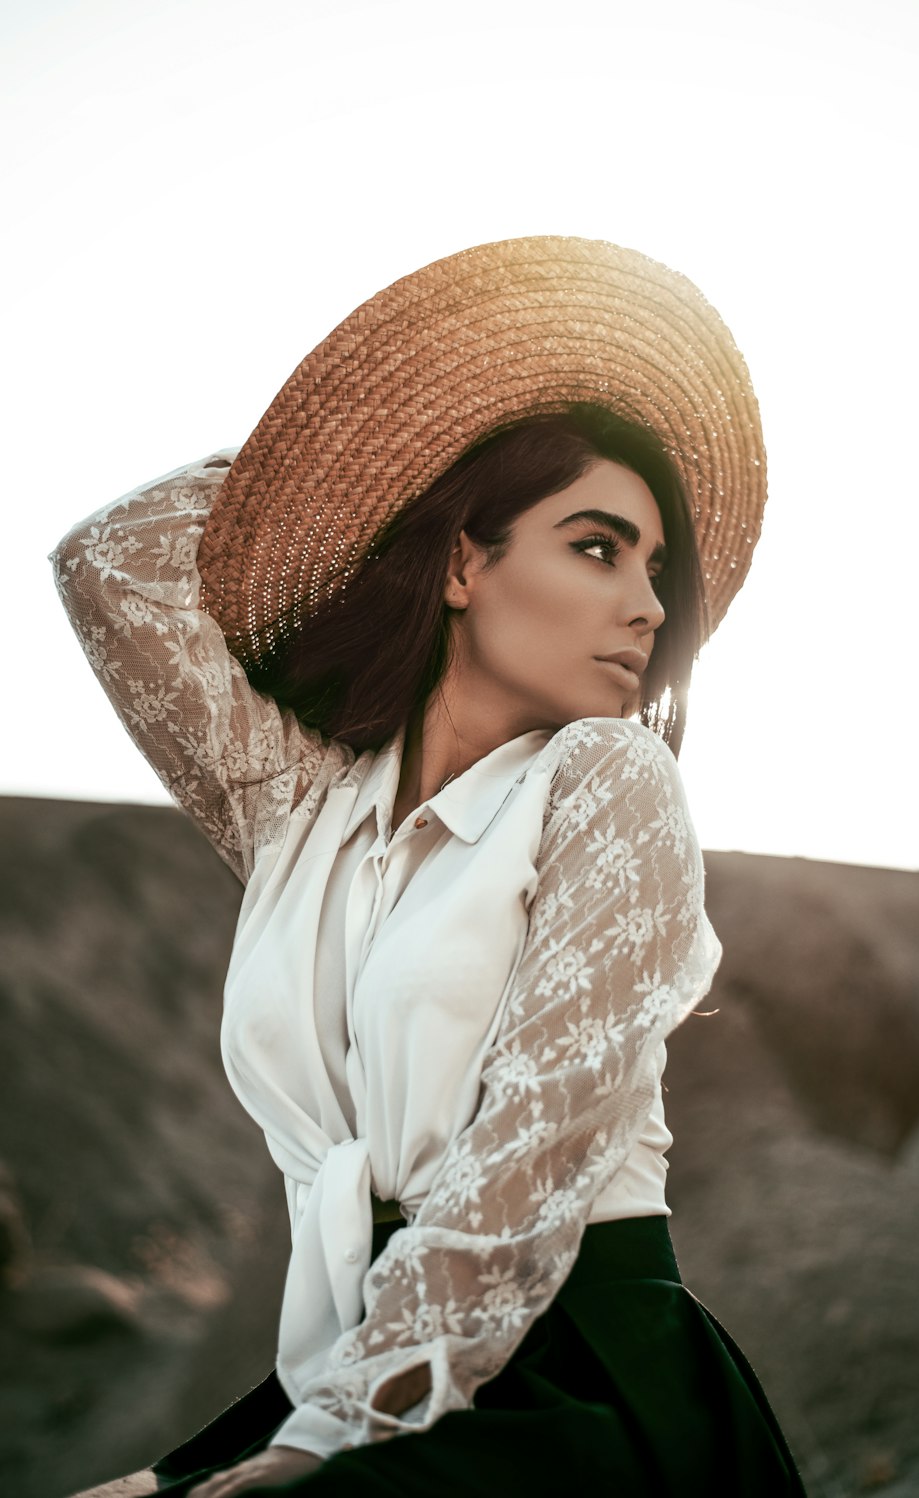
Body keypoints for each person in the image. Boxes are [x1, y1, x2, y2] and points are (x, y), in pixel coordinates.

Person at [51, 237, 808, 1496]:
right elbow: (113, 562)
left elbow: (530, 1152)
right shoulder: (303, 816)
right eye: (596, 546)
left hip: (573, 1367)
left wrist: (330, 1428)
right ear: (462, 560)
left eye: (656, 569)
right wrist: (368, 458)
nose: (647, 607)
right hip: (367, 1351)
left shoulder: (607, 784)